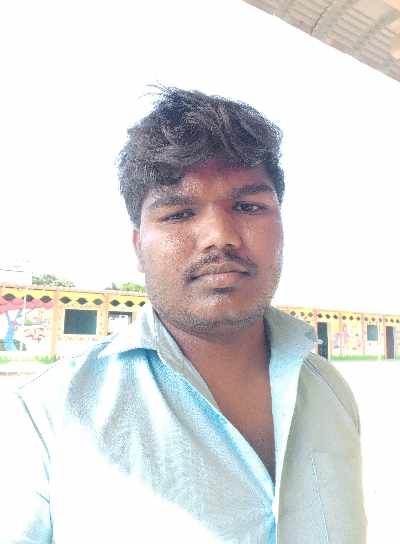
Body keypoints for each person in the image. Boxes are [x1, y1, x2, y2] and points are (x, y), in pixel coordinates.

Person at [0, 87, 366, 543]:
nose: (219, 236)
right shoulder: (46, 415)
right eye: (178, 214)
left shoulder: (330, 392)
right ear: (139, 247)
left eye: (248, 207)